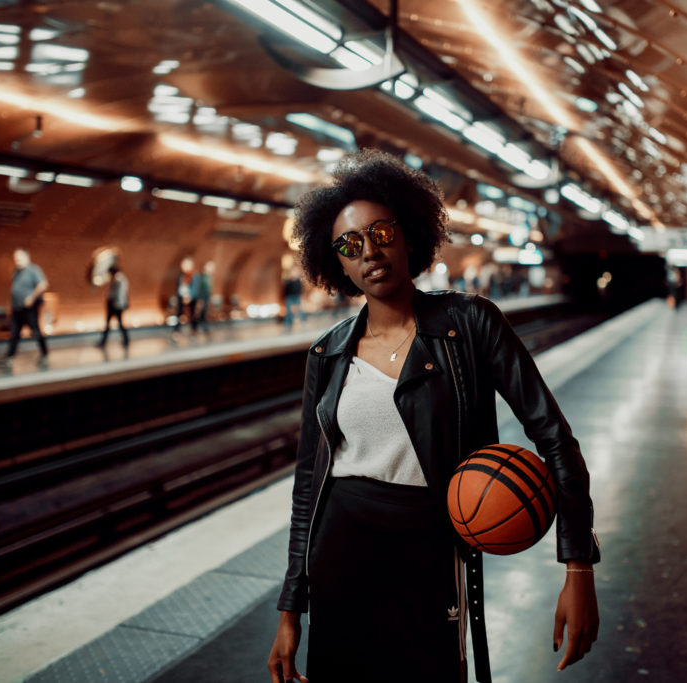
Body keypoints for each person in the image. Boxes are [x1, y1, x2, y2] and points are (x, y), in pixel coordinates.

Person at [267, 150, 600, 683]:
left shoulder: (469, 323)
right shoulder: (326, 353)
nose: (370, 251)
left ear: (408, 233)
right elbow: (309, 485)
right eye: (350, 246)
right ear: (338, 264)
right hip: (342, 543)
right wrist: (290, 609)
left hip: (431, 541)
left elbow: (555, 440)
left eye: (381, 231)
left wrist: (578, 566)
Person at [2, 248, 49, 368]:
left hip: (29, 309)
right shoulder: (16, 272)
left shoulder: (33, 270)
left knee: (36, 331)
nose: (17, 261)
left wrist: (31, 298)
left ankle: (44, 354)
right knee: (14, 333)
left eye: (19, 258)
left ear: (26, 258)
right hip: (17, 309)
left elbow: (43, 284)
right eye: (15, 259)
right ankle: (9, 357)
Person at [97, 264, 129, 349]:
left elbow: (119, 293)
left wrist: (116, 303)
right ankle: (103, 342)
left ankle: (125, 340)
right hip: (115, 304)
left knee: (117, 324)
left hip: (116, 305)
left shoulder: (119, 279)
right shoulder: (118, 279)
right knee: (112, 324)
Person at [173, 257, 194, 336]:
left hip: (189, 298)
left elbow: (193, 288)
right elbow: (179, 286)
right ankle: (177, 330)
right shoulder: (181, 276)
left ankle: (193, 330)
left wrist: (189, 296)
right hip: (181, 297)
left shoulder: (193, 276)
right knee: (179, 313)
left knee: (191, 314)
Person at [191, 260, 215, 334]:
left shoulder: (209, 277)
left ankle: (201, 329)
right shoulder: (200, 276)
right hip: (201, 296)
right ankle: (196, 328)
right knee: (198, 313)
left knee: (203, 313)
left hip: (206, 296)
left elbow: (209, 288)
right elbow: (197, 287)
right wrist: (198, 298)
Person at [282, 266, 304, 331]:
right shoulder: (288, 281)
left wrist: (300, 295)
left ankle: (303, 321)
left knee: (300, 310)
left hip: (297, 296)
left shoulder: (298, 281)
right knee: (289, 311)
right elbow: (285, 289)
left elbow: (300, 289)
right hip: (289, 296)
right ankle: (288, 323)